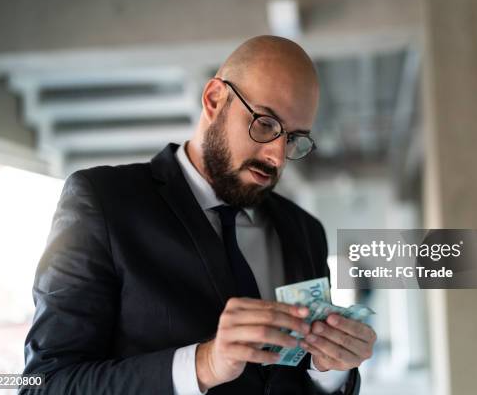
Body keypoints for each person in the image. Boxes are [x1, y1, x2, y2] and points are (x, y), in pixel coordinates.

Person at [21, 35, 376, 394]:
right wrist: (202, 365)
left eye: (295, 139)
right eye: (266, 124)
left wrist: (329, 371)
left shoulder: (305, 231)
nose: (277, 156)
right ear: (214, 99)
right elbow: (44, 384)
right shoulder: (103, 203)